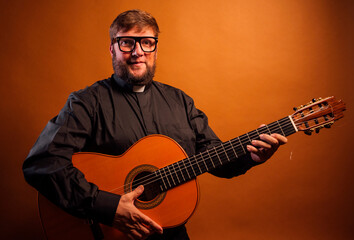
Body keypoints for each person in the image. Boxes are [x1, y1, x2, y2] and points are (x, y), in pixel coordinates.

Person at [23, 9, 287, 240]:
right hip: (107, 232)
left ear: (155, 49)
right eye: (127, 42)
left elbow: (212, 155)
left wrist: (250, 157)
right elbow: (42, 164)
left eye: (147, 42)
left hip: (170, 234)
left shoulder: (180, 101)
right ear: (112, 48)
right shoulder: (86, 102)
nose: (138, 52)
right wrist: (107, 207)